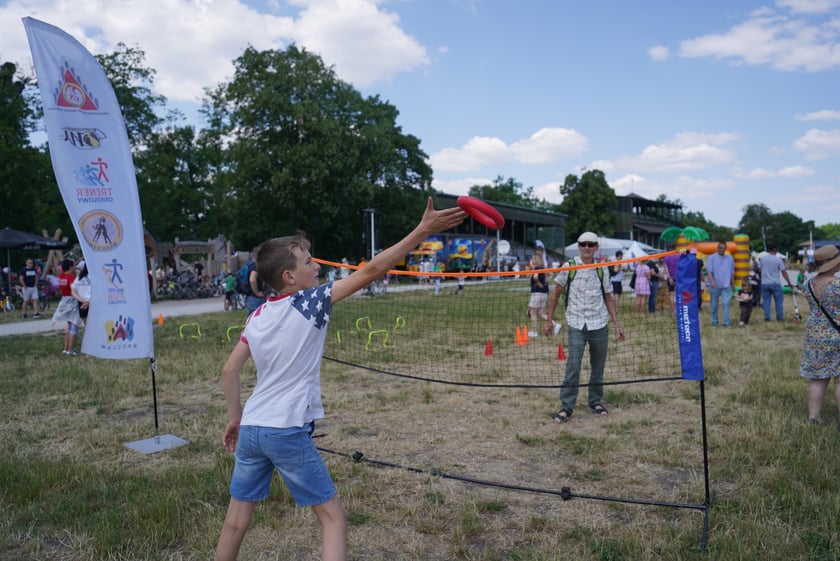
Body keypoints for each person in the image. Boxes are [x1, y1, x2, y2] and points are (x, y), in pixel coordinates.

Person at [214, 198, 465, 561]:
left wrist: (234, 418)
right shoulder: (311, 302)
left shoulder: (258, 316)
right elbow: (372, 269)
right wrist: (422, 230)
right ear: (289, 276)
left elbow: (229, 370)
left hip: (252, 428)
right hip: (284, 428)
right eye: (308, 262)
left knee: (236, 522)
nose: (316, 266)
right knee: (334, 519)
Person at [546, 232, 625, 423]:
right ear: (579, 246)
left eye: (591, 244)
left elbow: (608, 296)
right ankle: (567, 405)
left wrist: (616, 324)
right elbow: (556, 292)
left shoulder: (602, 268)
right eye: (583, 244)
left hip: (599, 322)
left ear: (597, 247)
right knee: (573, 365)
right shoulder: (569, 266)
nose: (587, 248)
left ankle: (595, 401)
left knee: (598, 365)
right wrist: (549, 319)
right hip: (575, 322)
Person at [798, 244, 840, 425]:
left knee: (817, 379)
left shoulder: (809, 284)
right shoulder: (837, 286)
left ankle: (813, 417)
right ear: (834, 265)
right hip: (836, 336)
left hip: (815, 337)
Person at [50, 258, 81, 355]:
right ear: (70, 267)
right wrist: (82, 299)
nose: (76, 266)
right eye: (74, 265)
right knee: (74, 325)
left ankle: (66, 349)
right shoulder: (71, 277)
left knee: (69, 326)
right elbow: (73, 290)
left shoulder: (61, 276)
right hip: (72, 301)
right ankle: (70, 350)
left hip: (64, 300)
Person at [759, 244, 793, 321]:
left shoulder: (762, 259)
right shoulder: (778, 260)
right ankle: (780, 317)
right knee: (778, 301)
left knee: (766, 301)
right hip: (775, 283)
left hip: (765, 283)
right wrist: (789, 282)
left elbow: (760, 270)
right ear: (775, 250)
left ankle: (767, 317)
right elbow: (783, 272)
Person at [706, 241, 735, 327]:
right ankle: (714, 322)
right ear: (717, 248)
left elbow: (732, 271)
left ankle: (726, 322)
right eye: (720, 248)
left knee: (726, 304)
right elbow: (709, 271)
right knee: (714, 305)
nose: (722, 250)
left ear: (726, 249)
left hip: (726, 285)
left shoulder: (730, 258)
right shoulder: (711, 258)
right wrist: (711, 281)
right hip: (714, 285)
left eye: (724, 248)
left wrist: (732, 282)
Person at [528, 246, 549, 337]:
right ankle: (555, 325)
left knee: (533, 313)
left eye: (533, 259)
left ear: (536, 260)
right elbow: (550, 275)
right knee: (541, 313)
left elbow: (536, 277)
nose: (532, 260)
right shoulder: (542, 268)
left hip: (537, 292)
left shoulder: (536, 268)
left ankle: (534, 331)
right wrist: (545, 282)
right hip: (544, 293)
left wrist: (538, 283)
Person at [245, 247, 268, 315]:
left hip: (250, 297)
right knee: (258, 319)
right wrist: (257, 292)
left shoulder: (249, 265)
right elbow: (252, 279)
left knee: (252, 320)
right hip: (255, 298)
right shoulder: (256, 265)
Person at [71, 261, 91, 328]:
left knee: (87, 326)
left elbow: (73, 292)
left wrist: (82, 301)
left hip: (82, 303)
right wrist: (87, 302)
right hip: (92, 303)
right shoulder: (95, 277)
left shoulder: (79, 278)